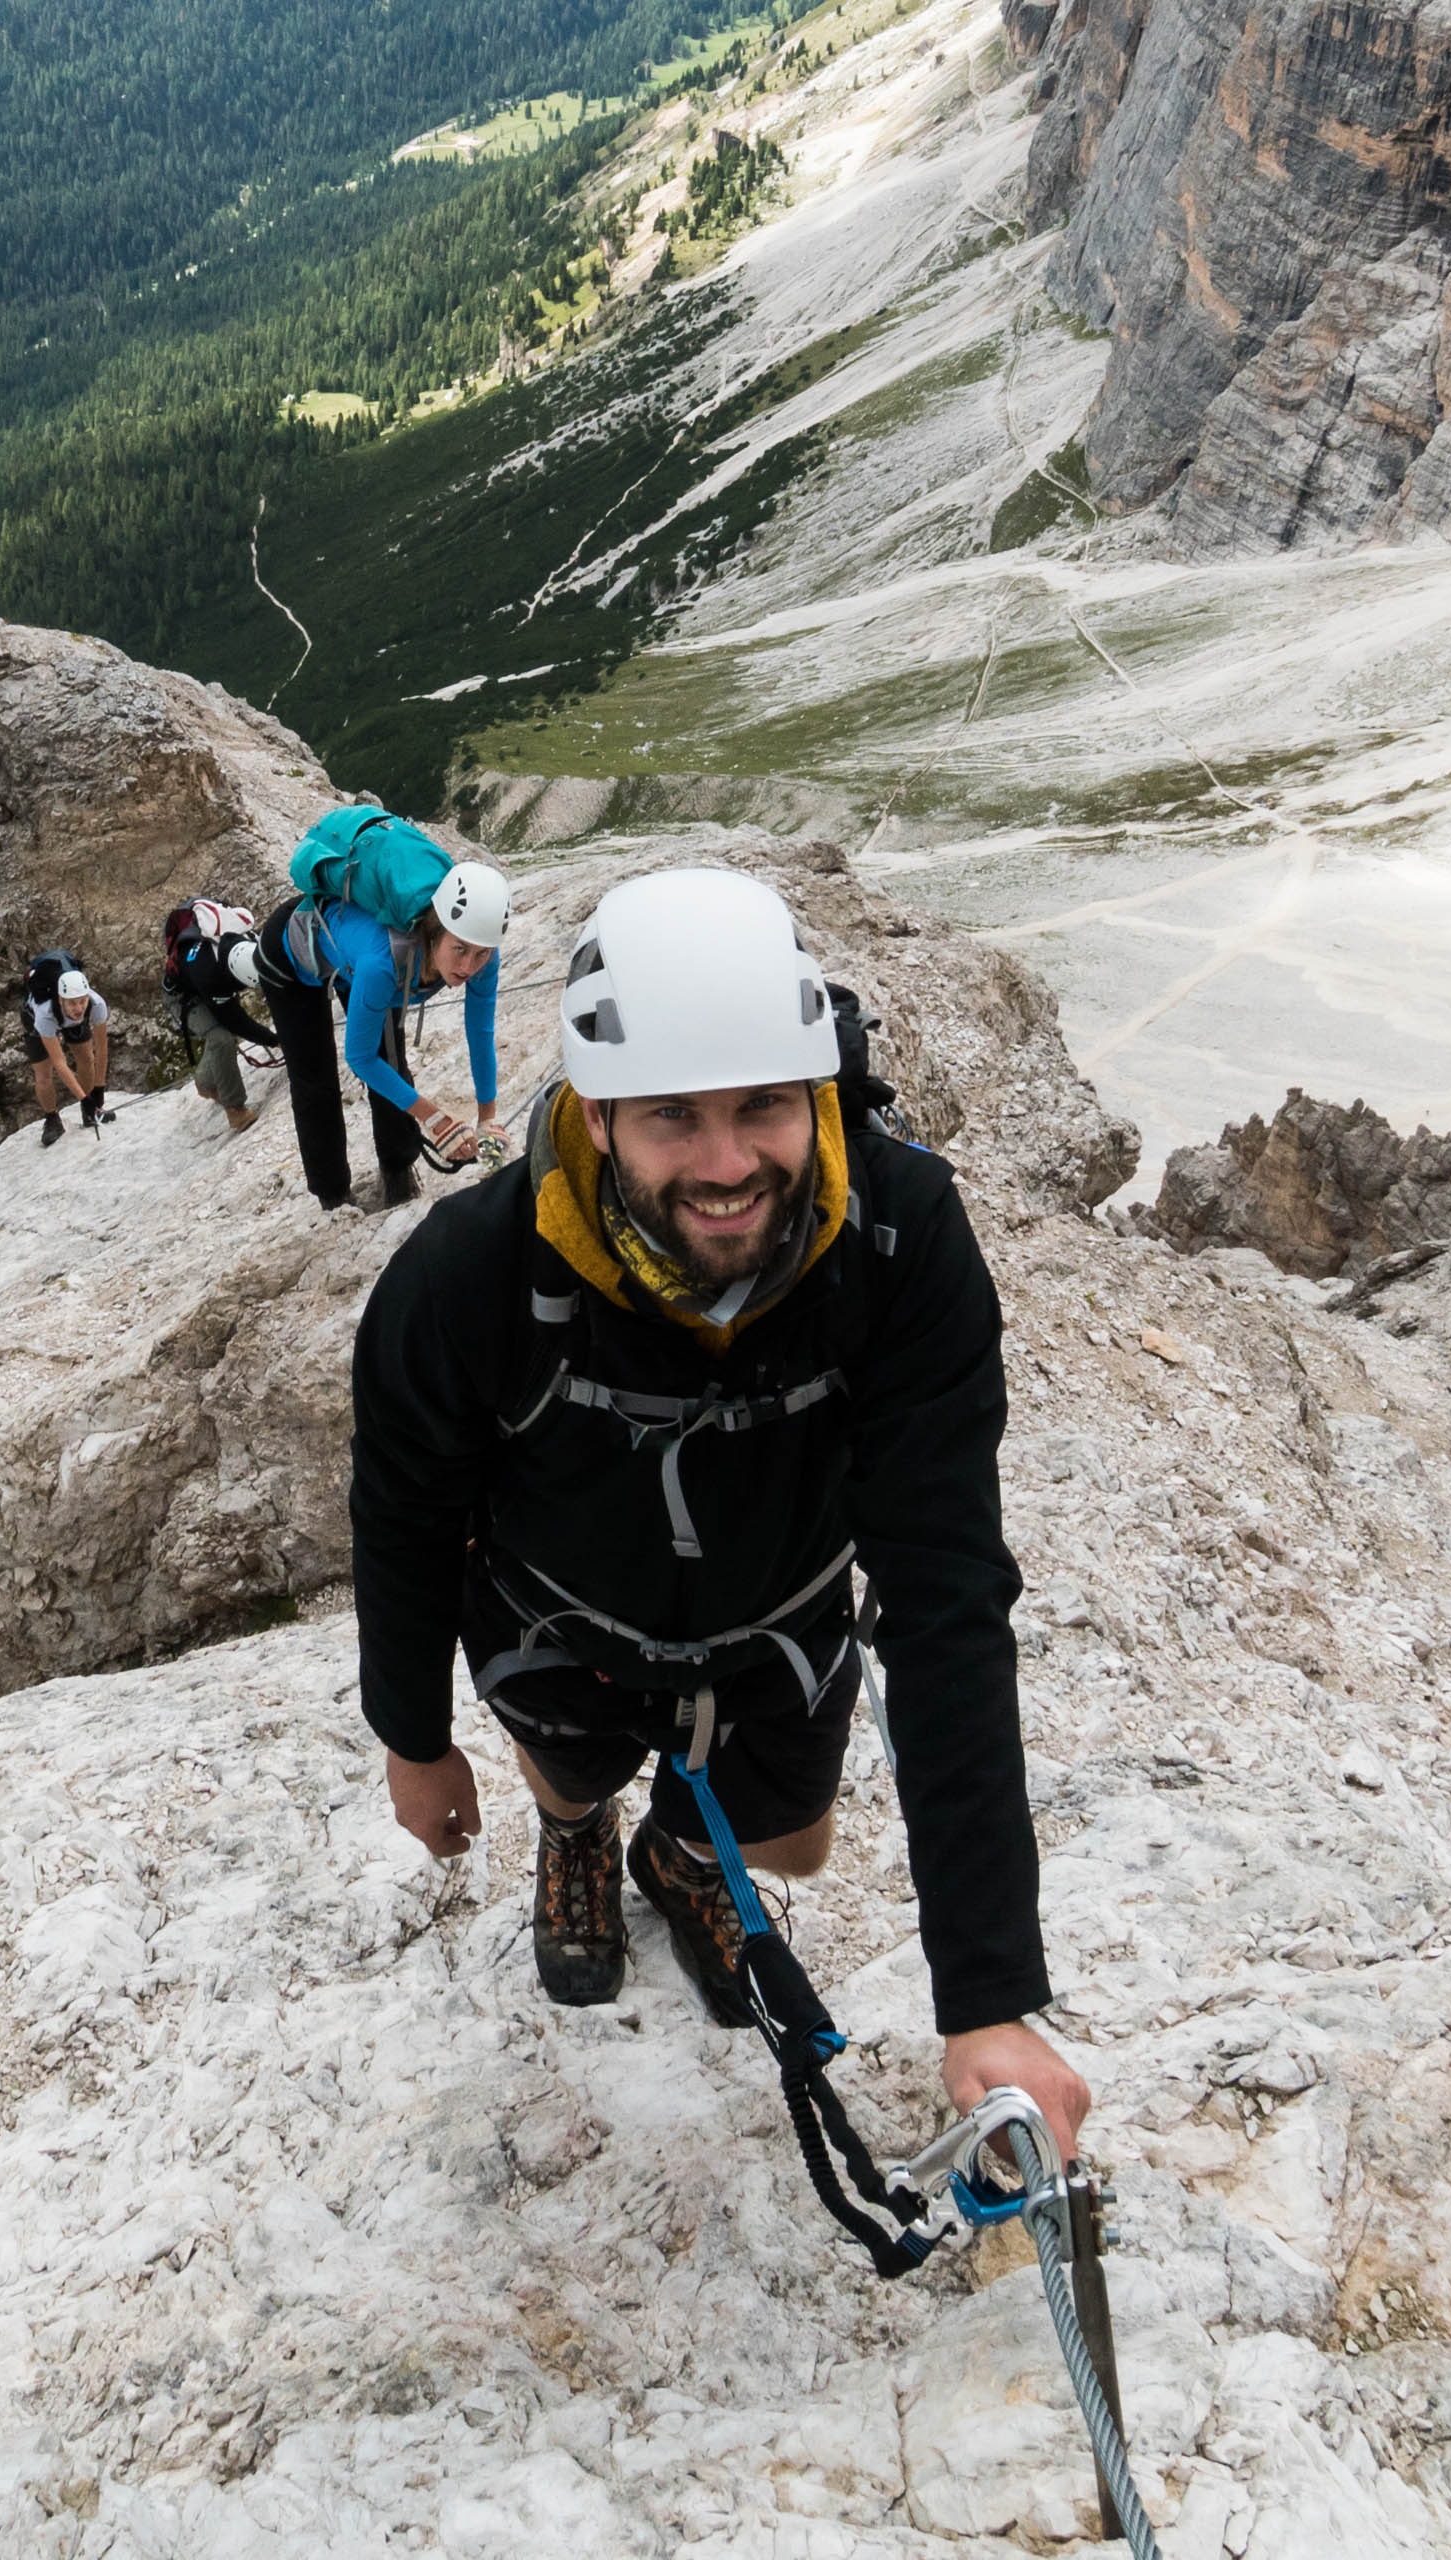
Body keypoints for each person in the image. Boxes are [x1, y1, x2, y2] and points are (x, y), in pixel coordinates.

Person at [346, 866, 1088, 2154]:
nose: (728, 1161)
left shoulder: (899, 1245)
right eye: (672, 1117)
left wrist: (991, 1997)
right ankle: (578, 1827)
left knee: (786, 1846)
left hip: (775, 1625)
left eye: (762, 1107)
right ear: (596, 1112)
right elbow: (404, 1512)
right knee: (573, 1766)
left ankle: (684, 1850)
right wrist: (412, 1737)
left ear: (817, 1091)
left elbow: (946, 1591)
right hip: (562, 1625)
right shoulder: (472, 1275)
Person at [256, 857, 510, 1212]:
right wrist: (435, 1119)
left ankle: (398, 1169)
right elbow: (358, 1058)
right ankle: (333, 1196)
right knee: (316, 1078)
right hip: (290, 956)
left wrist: (488, 1119)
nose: (469, 966)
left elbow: (480, 1034)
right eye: (460, 950)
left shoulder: (483, 957)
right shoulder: (386, 962)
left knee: (391, 1058)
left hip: (348, 956)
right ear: (435, 932)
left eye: (481, 954)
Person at [160, 898, 276, 1133]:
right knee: (221, 1037)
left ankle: (208, 1081)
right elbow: (237, 1022)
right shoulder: (208, 974)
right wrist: (277, 1040)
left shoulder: (248, 939)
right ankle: (235, 1109)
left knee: (223, 1034)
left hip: (205, 978)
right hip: (183, 995)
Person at [20, 951, 115, 1144]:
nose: (79, 1008)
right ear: (61, 999)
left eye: (82, 1001)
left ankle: (90, 1115)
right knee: (44, 1073)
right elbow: (60, 1063)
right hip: (36, 1022)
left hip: (71, 1022)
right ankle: (51, 1119)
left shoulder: (96, 1004)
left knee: (86, 1058)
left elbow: (102, 1050)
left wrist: (98, 1089)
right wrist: (83, 1099)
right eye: (73, 1003)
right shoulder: (44, 1013)